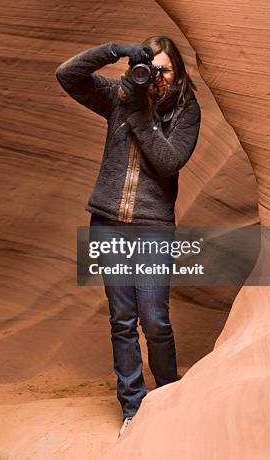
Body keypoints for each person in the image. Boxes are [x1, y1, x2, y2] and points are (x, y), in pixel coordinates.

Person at [55, 36, 201, 438]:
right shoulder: (119, 96)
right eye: (151, 68)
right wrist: (114, 50)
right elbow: (66, 75)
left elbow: (168, 162)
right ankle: (133, 411)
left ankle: (169, 398)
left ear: (179, 73)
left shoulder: (186, 111)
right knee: (122, 321)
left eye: (165, 69)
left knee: (154, 320)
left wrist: (139, 114)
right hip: (109, 223)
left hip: (153, 228)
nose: (157, 77)